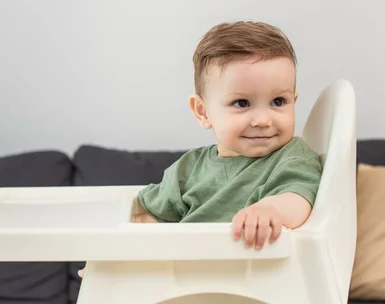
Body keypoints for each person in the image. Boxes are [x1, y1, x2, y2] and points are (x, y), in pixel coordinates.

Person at [79, 21, 322, 278]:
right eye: (242, 103)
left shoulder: (292, 157)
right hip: (182, 282)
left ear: (294, 101)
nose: (262, 119)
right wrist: (115, 256)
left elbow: (298, 198)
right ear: (203, 112)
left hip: (250, 284)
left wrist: (271, 211)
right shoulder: (187, 169)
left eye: (278, 101)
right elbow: (149, 219)